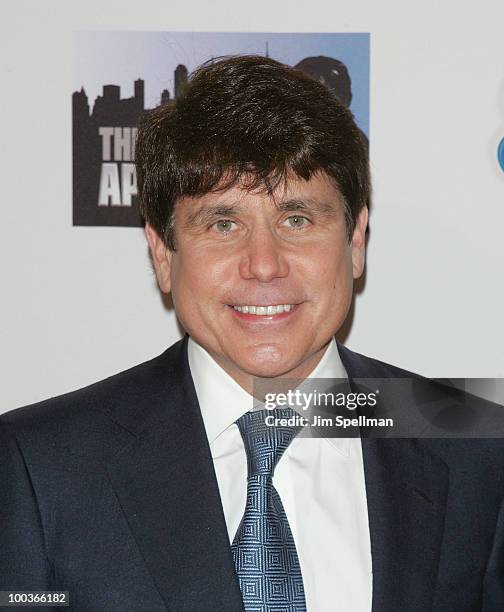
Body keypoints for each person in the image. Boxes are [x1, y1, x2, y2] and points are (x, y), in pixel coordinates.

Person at [1, 55, 503, 612]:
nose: (263, 264)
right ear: (163, 253)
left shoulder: (479, 447)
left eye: (297, 219)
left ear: (356, 240)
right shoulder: (36, 466)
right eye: (223, 224)